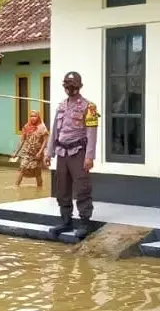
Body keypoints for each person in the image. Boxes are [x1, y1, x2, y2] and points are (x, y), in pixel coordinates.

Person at [44, 71, 99, 240]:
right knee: (62, 189)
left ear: (79, 86)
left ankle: (84, 222)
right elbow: (54, 131)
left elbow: (92, 134)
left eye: (73, 85)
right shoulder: (61, 106)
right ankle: (66, 221)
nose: (69, 88)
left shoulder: (89, 107)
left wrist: (89, 157)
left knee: (82, 188)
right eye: (67, 85)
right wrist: (49, 152)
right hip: (62, 153)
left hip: (79, 153)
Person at [12, 110, 49, 187]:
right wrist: (15, 152)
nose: (33, 118)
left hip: (37, 154)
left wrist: (40, 153)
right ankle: (16, 186)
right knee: (22, 169)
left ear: (38, 117)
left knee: (37, 173)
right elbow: (22, 141)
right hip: (27, 152)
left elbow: (45, 141)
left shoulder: (42, 128)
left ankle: (39, 189)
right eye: (31, 116)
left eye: (35, 116)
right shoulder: (26, 127)